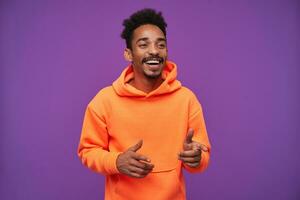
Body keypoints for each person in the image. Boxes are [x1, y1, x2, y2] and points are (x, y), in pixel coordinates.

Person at [77, 8, 211, 200]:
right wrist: (116, 161)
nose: (154, 51)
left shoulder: (186, 99)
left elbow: (201, 156)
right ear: (128, 54)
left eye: (161, 44)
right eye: (143, 44)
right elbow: (87, 151)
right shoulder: (104, 101)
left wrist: (196, 159)